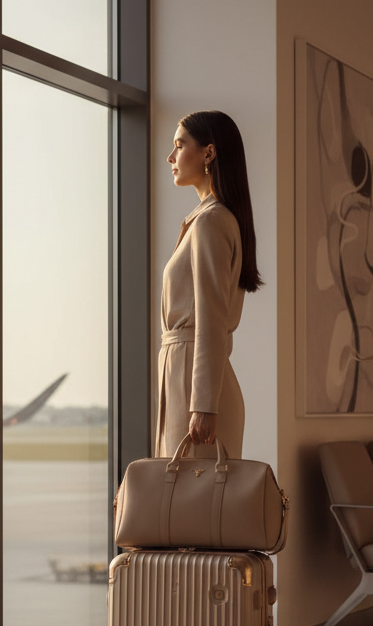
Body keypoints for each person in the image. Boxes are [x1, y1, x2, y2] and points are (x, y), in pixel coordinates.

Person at [157, 110, 263, 460]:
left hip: (194, 383)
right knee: (183, 505)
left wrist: (203, 404)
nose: (170, 157)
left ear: (208, 153)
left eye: (179, 145)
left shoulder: (211, 222)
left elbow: (211, 321)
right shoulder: (210, 219)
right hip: (186, 378)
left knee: (189, 507)